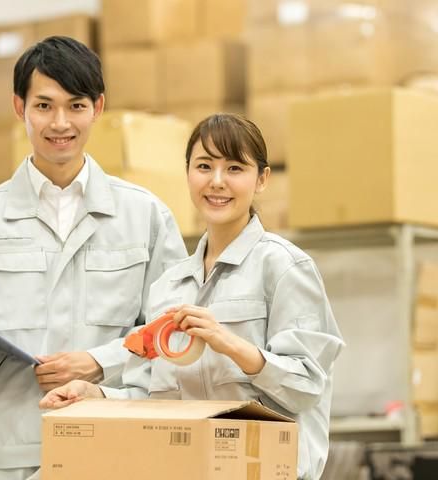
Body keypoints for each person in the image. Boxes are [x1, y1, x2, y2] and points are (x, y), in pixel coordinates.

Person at [0, 36, 187, 480]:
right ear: (19, 107)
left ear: (98, 107)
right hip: (7, 454)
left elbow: (174, 338)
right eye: (44, 106)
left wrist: (100, 362)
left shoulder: (145, 216)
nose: (60, 123)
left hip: (114, 445)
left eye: (76, 106)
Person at [40, 113, 345, 480]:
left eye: (234, 168)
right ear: (188, 173)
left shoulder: (284, 268)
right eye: (204, 166)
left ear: (262, 179)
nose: (217, 181)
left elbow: (307, 387)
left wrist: (231, 345)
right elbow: (154, 400)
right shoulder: (169, 287)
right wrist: (95, 396)